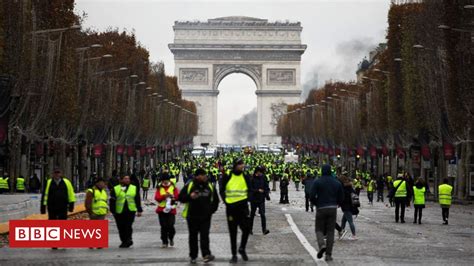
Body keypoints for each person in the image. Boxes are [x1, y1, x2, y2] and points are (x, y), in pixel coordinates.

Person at [179, 168, 219, 264]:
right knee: (193, 237)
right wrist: (190, 196)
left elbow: (216, 200)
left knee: (205, 236)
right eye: (203, 175)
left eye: (205, 175)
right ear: (197, 176)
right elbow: (180, 198)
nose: (205, 176)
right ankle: (193, 256)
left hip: (205, 217)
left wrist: (211, 211)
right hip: (192, 216)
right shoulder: (190, 185)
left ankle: (206, 255)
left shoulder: (210, 185)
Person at [310, 164, 344, 262]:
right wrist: (337, 203)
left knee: (319, 229)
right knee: (330, 232)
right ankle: (328, 255)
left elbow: (312, 195)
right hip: (333, 208)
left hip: (321, 207)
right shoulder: (336, 182)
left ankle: (321, 245)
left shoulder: (317, 181)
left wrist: (317, 203)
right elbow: (341, 196)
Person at [219, 158, 251, 264]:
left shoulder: (245, 176)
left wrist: (247, 199)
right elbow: (222, 189)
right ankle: (234, 255)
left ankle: (242, 248)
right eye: (240, 164)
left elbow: (250, 189)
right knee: (233, 233)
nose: (242, 166)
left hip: (243, 207)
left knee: (246, 229)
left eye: (243, 164)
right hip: (231, 209)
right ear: (235, 165)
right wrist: (226, 201)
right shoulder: (227, 176)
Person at [110, 175, 143, 248]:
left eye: (128, 178)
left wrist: (139, 209)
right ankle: (124, 241)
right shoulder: (115, 188)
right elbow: (112, 201)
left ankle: (128, 239)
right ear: (121, 180)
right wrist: (113, 210)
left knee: (128, 225)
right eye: (125, 178)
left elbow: (137, 199)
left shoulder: (133, 188)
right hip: (119, 211)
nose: (127, 180)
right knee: (121, 227)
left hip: (130, 210)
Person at [155, 173, 179, 248]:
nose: (165, 182)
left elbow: (177, 197)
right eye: (163, 180)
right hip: (161, 210)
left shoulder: (173, 187)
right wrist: (164, 196)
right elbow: (157, 198)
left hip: (171, 210)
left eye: (166, 180)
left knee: (171, 225)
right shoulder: (159, 188)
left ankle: (171, 238)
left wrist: (172, 197)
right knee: (163, 226)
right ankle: (164, 241)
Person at [249, 166, 270, 235]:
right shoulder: (252, 179)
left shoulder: (263, 177)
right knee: (252, 215)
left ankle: (264, 230)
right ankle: (250, 229)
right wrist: (257, 190)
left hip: (261, 199)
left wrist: (267, 195)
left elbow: (266, 187)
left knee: (263, 215)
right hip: (254, 199)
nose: (261, 173)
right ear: (257, 172)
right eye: (260, 172)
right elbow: (250, 189)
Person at [339, 174, 357, 240]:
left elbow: (343, 198)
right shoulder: (350, 188)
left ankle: (354, 235)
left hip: (346, 207)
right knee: (343, 221)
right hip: (350, 206)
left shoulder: (343, 189)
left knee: (350, 221)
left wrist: (339, 203)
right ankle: (341, 233)